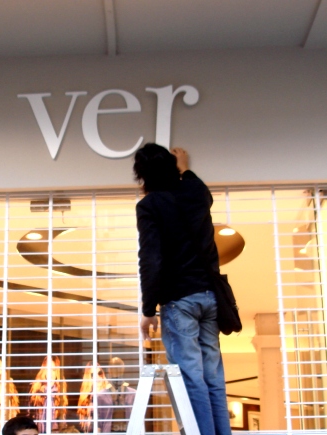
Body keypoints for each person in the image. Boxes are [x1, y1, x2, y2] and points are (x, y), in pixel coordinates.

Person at [133, 143, 231, 435]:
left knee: (191, 377)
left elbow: (151, 259)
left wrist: (148, 310)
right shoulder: (194, 191)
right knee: (213, 376)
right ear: (172, 168)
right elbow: (200, 190)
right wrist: (185, 167)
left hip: (180, 301)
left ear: (142, 176)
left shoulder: (149, 206)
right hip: (210, 297)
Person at [28, 356, 68, 433]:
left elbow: (63, 418)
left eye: (53, 370)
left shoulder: (60, 391)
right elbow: (28, 414)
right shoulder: (34, 389)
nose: (50, 373)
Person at [77, 362, 113, 433]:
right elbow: (85, 427)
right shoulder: (86, 399)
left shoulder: (110, 395)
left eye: (99, 373)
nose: (97, 378)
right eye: (92, 375)